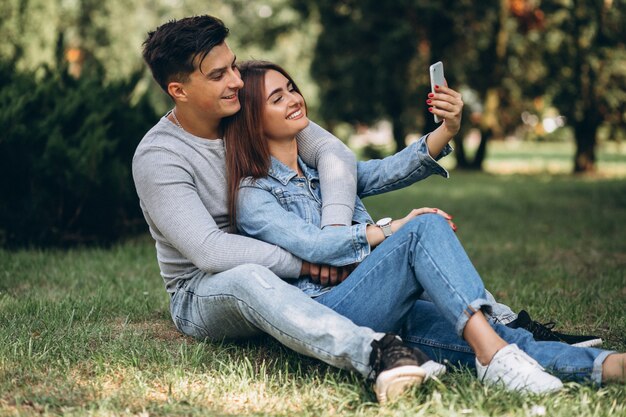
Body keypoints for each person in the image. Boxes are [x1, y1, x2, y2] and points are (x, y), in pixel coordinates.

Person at [133, 15, 602, 403]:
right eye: (218, 76)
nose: (235, 81)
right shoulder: (161, 157)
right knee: (249, 278)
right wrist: (319, 262)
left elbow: (340, 159)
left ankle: (516, 340)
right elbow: (211, 251)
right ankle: (377, 353)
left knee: (420, 285)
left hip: (305, 266)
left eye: (233, 67)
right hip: (207, 290)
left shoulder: (246, 108)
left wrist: (343, 239)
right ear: (179, 90)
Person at [222, 60, 626, 394]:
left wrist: (446, 130)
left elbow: (387, 170)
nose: (294, 98)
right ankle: (494, 357)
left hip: (383, 301)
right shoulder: (253, 192)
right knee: (424, 226)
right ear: (253, 120)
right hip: (330, 309)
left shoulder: (323, 170)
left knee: (483, 334)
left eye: (291, 88)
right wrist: (392, 228)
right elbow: (314, 244)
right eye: (277, 98)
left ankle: (606, 366)